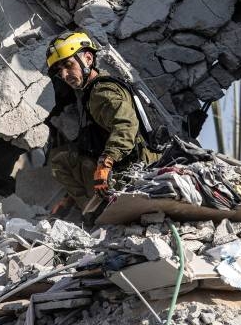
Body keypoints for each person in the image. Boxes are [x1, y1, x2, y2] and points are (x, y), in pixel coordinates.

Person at [44, 31, 160, 212]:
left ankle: (94, 212)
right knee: (66, 156)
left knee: (60, 161)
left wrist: (105, 163)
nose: (65, 75)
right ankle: (83, 206)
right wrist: (70, 198)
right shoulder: (92, 91)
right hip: (131, 163)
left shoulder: (100, 93)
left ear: (88, 59)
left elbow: (126, 125)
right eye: (60, 71)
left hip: (133, 168)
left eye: (68, 65)